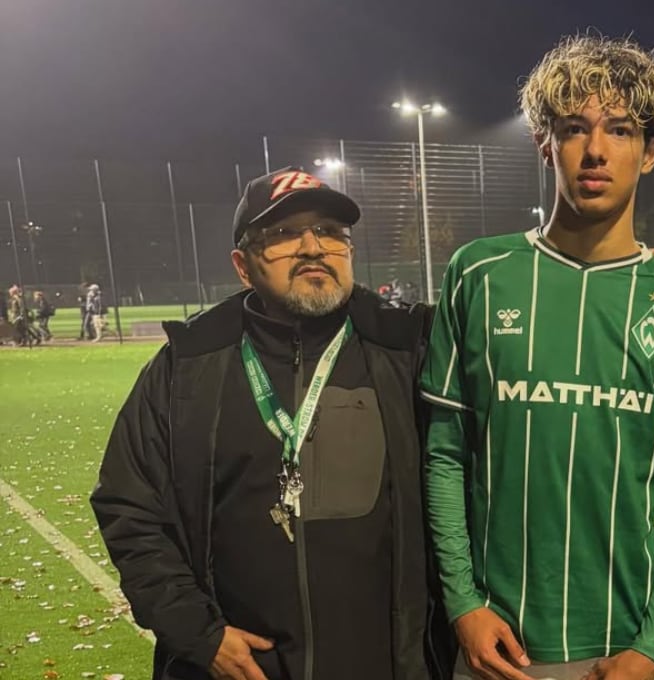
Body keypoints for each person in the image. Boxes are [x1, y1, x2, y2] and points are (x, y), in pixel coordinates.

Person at [422, 35, 654, 680]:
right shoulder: (480, 274)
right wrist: (464, 604)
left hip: (621, 652)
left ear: (651, 152)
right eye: (573, 128)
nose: (595, 150)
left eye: (620, 130)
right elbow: (446, 453)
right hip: (494, 645)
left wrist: (652, 647)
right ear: (543, 140)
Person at [91, 167, 453, 680]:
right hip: (241, 668)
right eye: (284, 234)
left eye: (330, 232)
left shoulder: (410, 349)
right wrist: (198, 633)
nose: (313, 247)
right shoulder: (187, 366)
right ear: (243, 266)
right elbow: (128, 505)